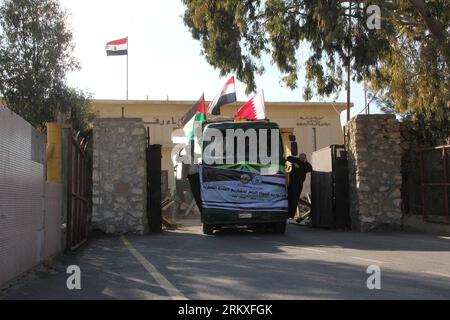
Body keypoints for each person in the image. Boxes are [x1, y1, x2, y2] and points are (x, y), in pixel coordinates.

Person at [286, 153, 312, 218]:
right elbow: (288, 157)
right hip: (292, 183)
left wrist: (306, 162)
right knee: (289, 198)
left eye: (304, 157)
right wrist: (294, 163)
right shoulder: (296, 160)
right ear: (299, 157)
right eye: (301, 157)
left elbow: (310, 169)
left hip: (299, 184)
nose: (302, 158)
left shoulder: (305, 164)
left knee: (295, 200)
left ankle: (291, 215)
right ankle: (287, 213)